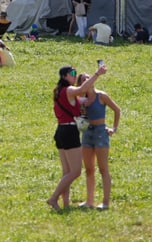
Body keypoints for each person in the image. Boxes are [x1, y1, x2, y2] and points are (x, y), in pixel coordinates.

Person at [46, 63, 106, 211]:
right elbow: (82, 90)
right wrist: (97, 74)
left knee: (66, 172)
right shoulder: (70, 89)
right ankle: (53, 198)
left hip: (60, 131)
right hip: (69, 132)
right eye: (72, 74)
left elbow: (84, 99)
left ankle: (65, 204)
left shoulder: (59, 91)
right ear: (64, 76)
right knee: (75, 171)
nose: (74, 76)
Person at [76, 73, 121, 209]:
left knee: (103, 169)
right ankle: (89, 201)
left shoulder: (101, 96)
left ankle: (105, 202)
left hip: (100, 133)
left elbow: (117, 110)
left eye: (88, 78)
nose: (87, 81)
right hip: (87, 133)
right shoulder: (80, 100)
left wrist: (114, 128)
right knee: (89, 169)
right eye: (83, 80)